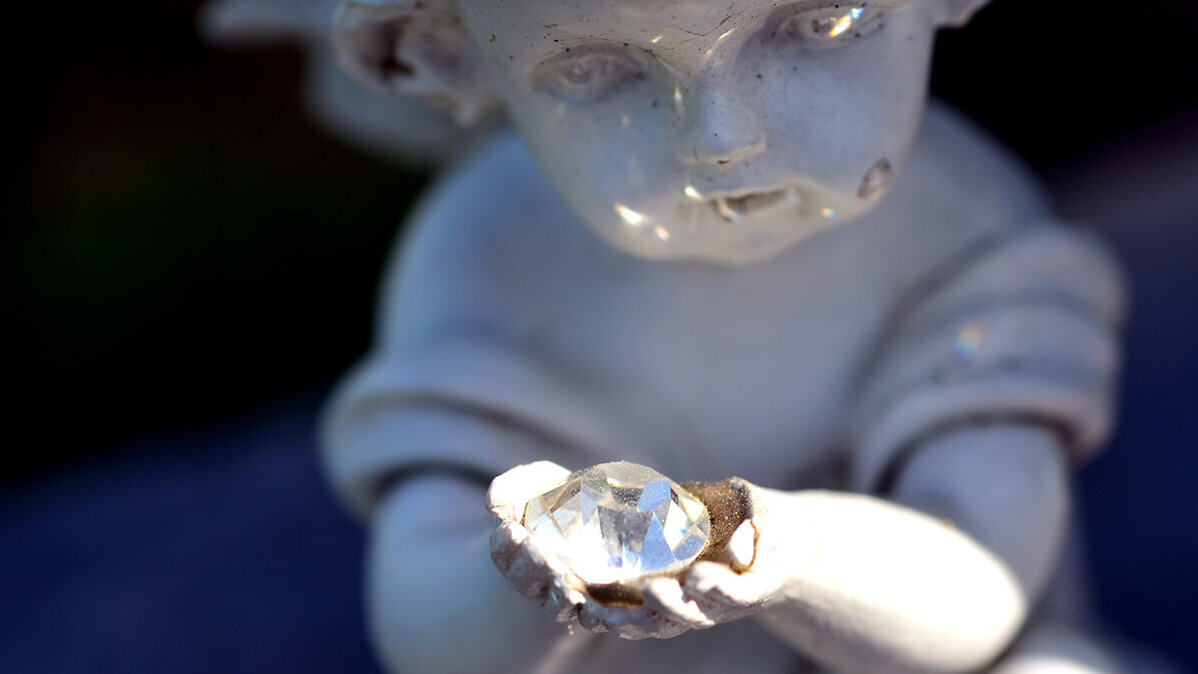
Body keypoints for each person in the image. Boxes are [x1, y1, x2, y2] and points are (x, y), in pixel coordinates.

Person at [320, 0, 1136, 671]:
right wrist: (527, 569)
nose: (720, 140)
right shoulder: (491, 256)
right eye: (592, 70)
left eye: (823, 23)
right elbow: (434, 642)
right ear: (449, 55)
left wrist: (784, 556)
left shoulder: (956, 225)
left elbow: (979, 591)